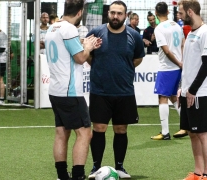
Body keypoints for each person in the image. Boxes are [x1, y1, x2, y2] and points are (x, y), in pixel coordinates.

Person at [86, 1, 145, 179]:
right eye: (112, 13)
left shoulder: (134, 36)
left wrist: (123, 69)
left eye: (119, 13)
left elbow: (138, 59)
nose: (115, 16)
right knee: (99, 128)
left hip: (124, 91)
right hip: (100, 91)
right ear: (108, 14)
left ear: (125, 16)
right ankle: (96, 166)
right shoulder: (96, 33)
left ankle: (120, 166)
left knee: (121, 130)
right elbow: (87, 55)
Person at [44, 0, 102, 179]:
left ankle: (62, 176)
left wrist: (83, 43)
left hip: (55, 90)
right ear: (79, 12)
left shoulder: (52, 28)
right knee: (84, 133)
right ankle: (78, 176)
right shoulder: (69, 29)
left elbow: (66, 49)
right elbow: (80, 58)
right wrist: (88, 48)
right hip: (70, 92)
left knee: (62, 132)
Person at [178, 0, 207, 180]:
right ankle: (198, 172)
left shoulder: (206, 33)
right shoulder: (191, 33)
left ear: (190, 12)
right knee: (192, 133)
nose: (179, 15)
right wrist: (182, 88)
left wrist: (192, 90)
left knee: (202, 132)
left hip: (199, 93)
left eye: (181, 12)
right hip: (187, 92)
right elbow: (189, 65)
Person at [150, 2, 186, 140]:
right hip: (176, 67)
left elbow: (166, 50)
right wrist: (181, 61)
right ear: (168, 11)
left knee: (162, 97)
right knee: (173, 97)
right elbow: (183, 43)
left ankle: (165, 132)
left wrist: (177, 62)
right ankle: (186, 125)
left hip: (167, 67)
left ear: (156, 13)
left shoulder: (159, 29)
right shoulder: (176, 25)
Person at [0, 20, 8, 105]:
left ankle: (1, 99)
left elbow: (2, 49)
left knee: (0, 79)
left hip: (0, 61)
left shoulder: (3, 36)